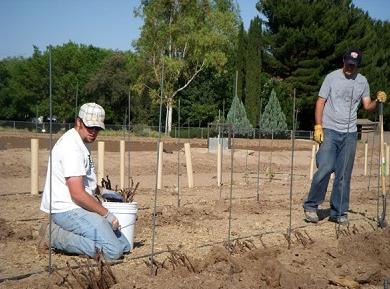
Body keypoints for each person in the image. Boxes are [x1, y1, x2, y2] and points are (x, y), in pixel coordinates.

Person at [303, 48, 387, 225]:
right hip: (330, 130)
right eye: (348, 64)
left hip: (349, 133)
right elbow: (320, 101)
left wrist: (377, 102)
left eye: (353, 65)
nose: (350, 68)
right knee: (325, 167)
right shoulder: (331, 78)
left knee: (343, 174)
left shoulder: (362, 81)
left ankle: (338, 212)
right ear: (343, 61)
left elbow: (367, 106)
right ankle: (311, 206)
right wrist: (318, 126)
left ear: (357, 65)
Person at [39, 103, 130, 260]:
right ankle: (54, 235)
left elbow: (83, 182)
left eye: (97, 128)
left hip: (79, 207)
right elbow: (77, 194)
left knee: (125, 246)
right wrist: (106, 214)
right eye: (90, 127)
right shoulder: (71, 148)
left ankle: (90, 239)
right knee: (112, 252)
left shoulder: (81, 141)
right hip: (68, 210)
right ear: (78, 122)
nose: (94, 132)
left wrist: (102, 191)